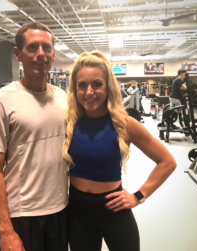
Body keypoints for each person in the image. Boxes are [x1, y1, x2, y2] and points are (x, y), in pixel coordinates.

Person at [63, 51, 176, 251]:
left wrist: (138, 196)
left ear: (108, 87)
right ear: (75, 88)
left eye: (97, 84)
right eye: (82, 85)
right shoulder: (69, 122)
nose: (89, 92)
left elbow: (167, 161)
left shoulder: (124, 124)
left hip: (113, 208)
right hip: (77, 211)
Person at [0, 23, 69, 251]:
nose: (41, 54)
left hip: (60, 210)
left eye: (46, 47)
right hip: (22, 215)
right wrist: (5, 230)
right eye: (32, 47)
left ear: (53, 53)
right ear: (18, 54)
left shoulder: (63, 98)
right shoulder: (1, 100)